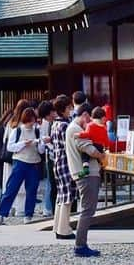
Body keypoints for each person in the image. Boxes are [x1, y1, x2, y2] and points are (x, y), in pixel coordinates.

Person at [0, 107, 44, 225]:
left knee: (32, 190)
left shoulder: (37, 131)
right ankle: (1, 214)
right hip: (20, 161)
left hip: (34, 162)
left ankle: (28, 214)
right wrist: (23, 143)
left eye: (32, 120)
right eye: (29, 120)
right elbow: (10, 147)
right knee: (11, 188)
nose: (31, 123)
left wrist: (41, 143)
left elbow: (41, 151)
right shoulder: (17, 131)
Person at [66, 103, 102, 257]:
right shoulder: (76, 129)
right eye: (89, 119)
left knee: (86, 209)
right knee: (87, 210)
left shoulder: (72, 128)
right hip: (86, 174)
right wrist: (102, 155)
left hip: (81, 173)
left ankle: (81, 244)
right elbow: (90, 150)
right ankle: (80, 245)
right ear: (85, 115)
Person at [48, 94, 76, 240]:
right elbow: (69, 146)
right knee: (67, 196)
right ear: (64, 109)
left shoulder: (55, 124)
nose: (70, 110)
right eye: (69, 108)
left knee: (61, 195)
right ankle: (64, 229)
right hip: (66, 162)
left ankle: (58, 226)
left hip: (57, 162)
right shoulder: (65, 125)